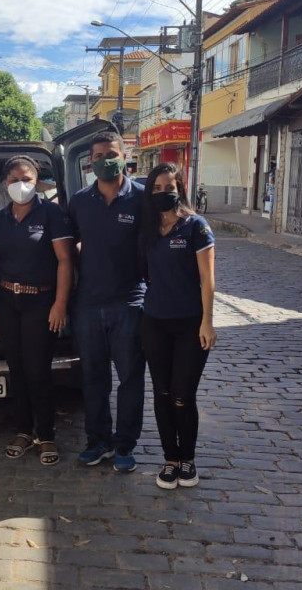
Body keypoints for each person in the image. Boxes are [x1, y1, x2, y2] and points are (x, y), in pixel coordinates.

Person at [68, 132, 146, 473]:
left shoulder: (143, 199)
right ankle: (97, 441)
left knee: (130, 377)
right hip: (88, 303)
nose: (104, 160)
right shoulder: (80, 201)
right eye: (98, 155)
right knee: (93, 377)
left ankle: (124, 444)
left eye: (111, 153)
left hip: (130, 303)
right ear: (90, 161)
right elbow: (67, 250)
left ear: (125, 154)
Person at [0, 155, 73, 466]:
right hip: (7, 302)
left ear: (37, 182)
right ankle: (23, 430)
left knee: (38, 370)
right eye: (14, 180)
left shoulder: (52, 214)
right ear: (4, 184)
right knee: (17, 369)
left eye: (26, 179)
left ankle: (46, 434)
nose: (20, 185)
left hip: (42, 303)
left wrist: (60, 304)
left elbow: (65, 260)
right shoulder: (0, 219)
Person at [139, 162, 216, 489]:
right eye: (156, 188)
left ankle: (189, 459)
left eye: (169, 187)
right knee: (162, 392)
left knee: (183, 396)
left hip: (190, 326)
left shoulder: (195, 227)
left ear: (180, 189)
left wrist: (207, 323)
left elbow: (207, 279)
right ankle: (170, 459)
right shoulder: (146, 228)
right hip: (154, 322)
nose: (163, 193)